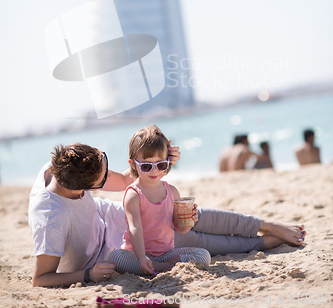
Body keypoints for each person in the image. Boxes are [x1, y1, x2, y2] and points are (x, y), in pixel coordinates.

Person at [29, 137, 306, 288]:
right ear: (82, 190)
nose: (109, 175)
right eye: (103, 178)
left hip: (119, 217)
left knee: (195, 215)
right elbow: (41, 279)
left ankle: (266, 225)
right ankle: (263, 242)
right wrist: (86, 277)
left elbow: (126, 180)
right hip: (119, 249)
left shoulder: (61, 165)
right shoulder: (51, 219)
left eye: (105, 161)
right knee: (203, 243)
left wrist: (157, 163)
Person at [108, 125, 210, 275]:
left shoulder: (172, 191)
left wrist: (189, 220)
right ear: (133, 165)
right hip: (137, 254)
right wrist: (142, 257)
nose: (155, 170)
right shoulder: (133, 194)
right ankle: (160, 267)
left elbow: (180, 228)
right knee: (116, 258)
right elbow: (134, 228)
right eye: (146, 166)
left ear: (168, 162)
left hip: (167, 254)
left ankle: (160, 266)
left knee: (203, 255)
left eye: (161, 164)